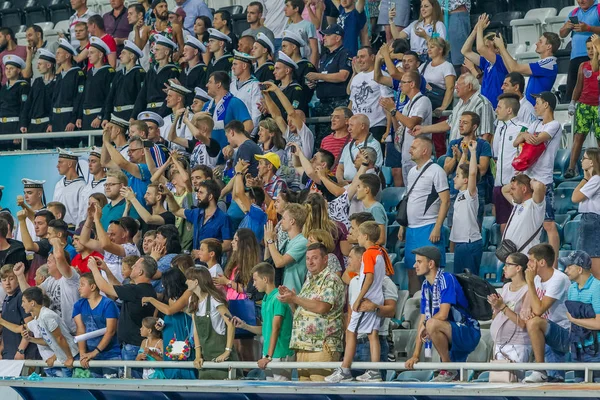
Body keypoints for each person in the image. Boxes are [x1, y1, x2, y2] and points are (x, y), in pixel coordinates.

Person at [405, 246, 481, 381]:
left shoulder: (446, 279)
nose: (414, 265)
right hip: (449, 331)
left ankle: (447, 367)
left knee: (432, 323)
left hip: (467, 330)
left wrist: (427, 325)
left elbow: (443, 314)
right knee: (455, 384)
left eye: (419, 261)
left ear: (431, 264)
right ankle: (449, 369)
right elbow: (422, 321)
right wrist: (415, 355)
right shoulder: (425, 286)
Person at [326, 221, 386, 383]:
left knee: (351, 332)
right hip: (376, 296)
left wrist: (358, 298)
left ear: (365, 236)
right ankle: (375, 371)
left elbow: (369, 277)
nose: (357, 237)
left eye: (359, 234)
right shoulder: (380, 253)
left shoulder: (368, 254)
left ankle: (345, 370)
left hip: (366, 299)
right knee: (372, 334)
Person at [279, 243, 345, 381]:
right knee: (306, 395)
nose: (310, 262)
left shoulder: (330, 279)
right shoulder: (309, 281)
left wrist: (295, 298)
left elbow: (322, 307)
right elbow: (300, 311)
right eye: (307, 258)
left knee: (321, 392)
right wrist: (291, 300)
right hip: (303, 346)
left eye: (314, 258)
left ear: (325, 259)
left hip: (322, 347)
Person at [513, 92, 561, 265]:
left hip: (543, 179)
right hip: (529, 177)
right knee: (532, 223)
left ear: (547, 105)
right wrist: (525, 136)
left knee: (548, 224)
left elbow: (536, 140)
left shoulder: (554, 125)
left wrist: (525, 137)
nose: (535, 106)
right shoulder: (535, 123)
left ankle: (554, 263)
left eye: (538, 103)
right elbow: (517, 140)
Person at [400, 136, 450, 295]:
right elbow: (409, 199)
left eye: (414, 147)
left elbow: (445, 201)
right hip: (412, 229)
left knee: (432, 271)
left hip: (428, 226)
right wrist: (403, 225)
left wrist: (437, 227)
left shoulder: (436, 171)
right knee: (412, 269)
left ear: (425, 151)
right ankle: (415, 306)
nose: (409, 150)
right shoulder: (412, 172)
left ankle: (437, 304)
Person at [88, 255, 157, 365]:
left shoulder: (135, 290)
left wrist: (94, 269)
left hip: (132, 347)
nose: (133, 267)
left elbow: (104, 287)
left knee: (131, 379)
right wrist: (105, 269)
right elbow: (119, 288)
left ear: (140, 272)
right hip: (136, 344)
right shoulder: (147, 290)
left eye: (135, 266)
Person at [233, 262, 294, 380]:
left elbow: (276, 328)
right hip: (269, 355)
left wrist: (268, 356)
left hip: (278, 353)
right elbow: (266, 329)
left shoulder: (278, 297)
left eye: (255, 280)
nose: (254, 284)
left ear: (265, 279)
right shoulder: (266, 299)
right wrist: (245, 326)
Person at [522, 244, 571, 383]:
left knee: (534, 322)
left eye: (531, 260)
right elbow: (530, 308)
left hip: (565, 332)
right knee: (555, 381)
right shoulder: (537, 279)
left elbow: (538, 310)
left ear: (542, 262)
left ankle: (539, 369)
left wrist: (530, 282)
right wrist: (528, 311)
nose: (528, 264)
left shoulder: (559, 279)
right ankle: (545, 373)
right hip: (548, 330)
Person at [5, 287, 78, 375]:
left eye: (24, 301)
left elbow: (60, 338)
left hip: (72, 356)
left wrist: (69, 358)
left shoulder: (47, 316)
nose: (22, 305)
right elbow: (50, 340)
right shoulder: (38, 317)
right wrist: (30, 339)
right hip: (64, 358)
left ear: (32, 303)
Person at [380, 70, 432, 183]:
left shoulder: (423, 100)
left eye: (403, 82)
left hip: (420, 155)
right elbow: (400, 128)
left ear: (412, 84)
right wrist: (391, 111)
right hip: (407, 154)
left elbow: (411, 124)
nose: (400, 85)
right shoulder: (408, 105)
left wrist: (394, 110)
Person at [187, 266, 238, 380]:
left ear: (196, 282)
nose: (186, 281)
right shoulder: (192, 300)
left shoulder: (215, 299)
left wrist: (227, 352)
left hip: (221, 357)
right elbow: (196, 329)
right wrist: (198, 355)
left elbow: (231, 323)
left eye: (188, 279)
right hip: (206, 358)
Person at [415, 73, 494, 144]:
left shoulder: (482, 103)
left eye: (459, 84)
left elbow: (486, 134)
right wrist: (423, 129)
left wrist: (479, 157)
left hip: (471, 154)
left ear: (469, 86)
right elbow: (449, 123)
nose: (456, 87)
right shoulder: (460, 102)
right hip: (456, 153)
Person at [443, 111, 492, 225]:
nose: (460, 125)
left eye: (465, 123)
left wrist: (463, 158)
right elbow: (446, 169)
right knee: (452, 227)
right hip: (455, 191)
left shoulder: (483, 144)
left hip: (476, 192)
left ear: (474, 126)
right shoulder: (454, 143)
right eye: (460, 122)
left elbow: (483, 170)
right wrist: (455, 158)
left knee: (474, 225)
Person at [487, 252, 531, 373]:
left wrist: (502, 307)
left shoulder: (527, 290)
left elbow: (523, 323)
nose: (503, 268)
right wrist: (496, 307)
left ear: (518, 268)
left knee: (513, 382)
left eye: (508, 264)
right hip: (499, 344)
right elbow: (497, 316)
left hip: (517, 345)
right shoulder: (506, 287)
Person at [309, 24, 352, 147]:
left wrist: (318, 76)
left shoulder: (345, 53)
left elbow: (343, 75)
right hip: (323, 102)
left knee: (336, 139)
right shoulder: (325, 56)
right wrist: (315, 82)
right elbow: (325, 76)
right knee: (321, 140)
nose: (324, 38)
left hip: (338, 102)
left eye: (328, 35)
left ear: (337, 38)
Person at [72, 272, 121, 378]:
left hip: (110, 354)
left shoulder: (108, 304)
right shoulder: (78, 305)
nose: (79, 288)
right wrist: (82, 354)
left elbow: (111, 331)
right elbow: (80, 330)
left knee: (111, 388)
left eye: (82, 284)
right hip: (90, 355)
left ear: (93, 286)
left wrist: (95, 352)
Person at [165, 179, 233, 252]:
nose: (197, 196)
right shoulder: (196, 212)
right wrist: (169, 195)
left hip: (211, 262)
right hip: (195, 260)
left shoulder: (223, 218)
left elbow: (228, 245)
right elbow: (176, 211)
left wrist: (205, 252)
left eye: (201, 193)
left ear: (210, 196)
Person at [494, 32, 560, 105]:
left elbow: (514, 68)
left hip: (537, 109)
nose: (536, 43)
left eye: (540, 42)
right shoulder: (545, 63)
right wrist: (501, 52)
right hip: (532, 106)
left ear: (549, 46)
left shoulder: (548, 64)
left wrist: (502, 47)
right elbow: (512, 71)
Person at [493, 93, 527, 232]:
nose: (496, 110)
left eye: (499, 107)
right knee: (503, 224)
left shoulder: (523, 128)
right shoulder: (499, 127)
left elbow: (525, 155)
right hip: (498, 182)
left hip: (513, 183)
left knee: (518, 222)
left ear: (509, 110)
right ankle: (506, 253)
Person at [567, 37, 599, 178]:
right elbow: (578, 86)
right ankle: (571, 168)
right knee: (578, 137)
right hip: (584, 105)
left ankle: (598, 169)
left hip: (598, 106)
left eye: (593, 47)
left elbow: (595, 67)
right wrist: (573, 102)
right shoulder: (582, 65)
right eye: (588, 49)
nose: (591, 51)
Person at [348, 46, 394, 145]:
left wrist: (388, 131)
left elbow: (388, 104)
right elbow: (351, 104)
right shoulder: (356, 78)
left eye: (363, 57)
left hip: (376, 126)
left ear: (372, 57)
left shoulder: (382, 76)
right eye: (358, 57)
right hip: (356, 128)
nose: (359, 60)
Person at [449, 140, 483, 275]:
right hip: (460, 244)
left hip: (470, 243)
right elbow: (460, 169)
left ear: (466, 180)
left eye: (457, 177)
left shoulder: (470, 194)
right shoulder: (460, 194)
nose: (453, 179)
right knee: (459, 280)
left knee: (470, 282)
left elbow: (472, 173)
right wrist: (464, 154)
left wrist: (473, 152)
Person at [461, 14, 507, 108]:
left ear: (497, 49)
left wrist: (480, 30)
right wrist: (475, 30)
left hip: (497, 107)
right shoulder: (487, 63)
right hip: (485, 107)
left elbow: (480, 48)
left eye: (487, 47)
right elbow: (465, 50)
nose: (484, 49)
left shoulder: (501, 61)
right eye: (484, 46)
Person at [102, 135, 153, 216]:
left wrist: (108, 143)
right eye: (128, 151)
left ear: (143, 151)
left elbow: (121, 163)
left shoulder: (147, 169)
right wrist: (105, 141)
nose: (129, 154)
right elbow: (105, 162)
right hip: (128, 214)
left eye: (132, 151)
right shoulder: (127, 170)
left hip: (143, 217)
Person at [559, 0, 600, 101]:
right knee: (572, 90)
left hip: (595, 56)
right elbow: (562, 34)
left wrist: (588, 28)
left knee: (592, 89)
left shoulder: (598, 9)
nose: (581, 1)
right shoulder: (573, 13)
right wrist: (567, 27)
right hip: (575, 57)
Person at [264, 204, 308, 294]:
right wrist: (267, 244)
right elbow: (267, 263)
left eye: (283, 218)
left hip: (294, 294)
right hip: (281, 293)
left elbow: (279, 262)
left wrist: (270, 241)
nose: (281, 222)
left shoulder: (302, 242)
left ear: (292, 221)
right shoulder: (286, 242)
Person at [132, 35, 180, 118]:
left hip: (163, 114)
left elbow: (169, 96)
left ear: (166, 52)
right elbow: (142, 94)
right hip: (148, 112)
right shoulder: (151, 71)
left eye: (157, 50)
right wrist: (134, 115)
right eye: (154, 50)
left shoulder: (173, 71)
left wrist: (160, 115)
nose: (154, 52)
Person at [202, 71, 253, 149]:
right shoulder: (207, 106)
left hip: (228, 156)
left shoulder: (234, 103)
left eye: (210, 82)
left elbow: (249, 125)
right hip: (208, 155)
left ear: (218, 84)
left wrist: (234, 145)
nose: (206, 85)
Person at [500, 174, 546, 257]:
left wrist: (531, 181)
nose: (511, 192)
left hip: (526, 258)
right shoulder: (518, 204)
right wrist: (515, 181)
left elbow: (539, 187)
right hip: (512, 257)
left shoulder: (535, 205)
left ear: (524, 189)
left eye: (513, 189)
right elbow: (504, 190)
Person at [0, 264, 38, 361]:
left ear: (17, 279)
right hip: (9, 352)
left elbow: (30, 326)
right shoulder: (6, 300)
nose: (7, 283)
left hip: (23, 353)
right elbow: (6, 329)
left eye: (11, 279)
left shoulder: (22, 297)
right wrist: (1, 349)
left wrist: (21, 350)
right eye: (4, 280)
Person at [572, 147, 600, 278]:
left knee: (593, 262)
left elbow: (575, 197)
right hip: (589, 220)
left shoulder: (595, 179)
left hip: (593, 220)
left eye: (584, 158)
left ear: (592, 162)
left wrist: (584, 179)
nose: (581, 160)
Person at [48, 39, 86, 136]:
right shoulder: (59, 76)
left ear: (67, 55)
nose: (56, 56)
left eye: (59, 53)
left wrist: (73, 120)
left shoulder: (77, 73)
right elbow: (54, 99)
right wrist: (51, 122)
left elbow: (79, 98)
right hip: (56, 118)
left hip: (68, 117)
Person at [103, 40, 146, 124]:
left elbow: (140, 97)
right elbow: (111, 96)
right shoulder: (119, 74)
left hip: (130, 116)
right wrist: (106, 116)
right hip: (115, 116)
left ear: (132, 56)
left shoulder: (139, 73)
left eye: (123, 53)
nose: (120, 56)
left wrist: (134, 116)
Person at [78, 37, 116, 131]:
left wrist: (101, 116)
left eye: (92, 53)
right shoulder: (89, 72)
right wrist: (79, 116)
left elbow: (109, 97)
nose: (88, 56)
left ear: (100, 55)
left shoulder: (109, 72)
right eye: (88, 53)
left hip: (98, 117)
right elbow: (83, 96)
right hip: (85, 117)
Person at [20, 49, 56, 139]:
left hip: (46, 127)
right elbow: (28, 105)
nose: (37, 67)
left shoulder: (57, 82)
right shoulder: (37, 82)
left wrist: (51, 123)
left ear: (49, 65)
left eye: (40, 64)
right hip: (32, 127)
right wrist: (24, 123)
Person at [337, 114, 384, 182]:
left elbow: (374, 169)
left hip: (364, 185)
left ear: (362, 126)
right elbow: (340, 167)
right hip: (346, 185)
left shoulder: (374, 145)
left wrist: (356, 183)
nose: (349, 129)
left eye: (351, 125)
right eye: (349, 126)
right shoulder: (348, 146)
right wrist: (341, 181)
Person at [230, 51, 262, 138]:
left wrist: (249, 135)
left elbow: (256, 113)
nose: (232, 67)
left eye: (235, 64)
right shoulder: (232, 85)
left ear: (244, 66)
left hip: (246, 132)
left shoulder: (255, 85)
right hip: (231, 132)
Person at [0, 54, 28, 150]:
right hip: (2, 127)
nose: (8, 71)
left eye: (11, 68)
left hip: (14, 126)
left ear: (18, 70)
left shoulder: (23, 86)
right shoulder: (3, 88)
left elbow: (24, 109)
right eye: (6, 68)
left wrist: (20, 129)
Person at [53, 149, 86, 227]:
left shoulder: (81, 186)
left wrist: (78, 231)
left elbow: (82, 212)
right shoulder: (59, 184)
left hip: (71, 228)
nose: (57, 166)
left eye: (60, 162)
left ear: (70, 164)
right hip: (57, 227)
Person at [283, 0, 319, 66]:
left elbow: (314, 50)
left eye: (288, 6)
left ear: (296, 9)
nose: (284, 9)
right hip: (291, 65)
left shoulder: (308, 25)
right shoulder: (287, 28)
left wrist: (312, 68)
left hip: (305, 63)